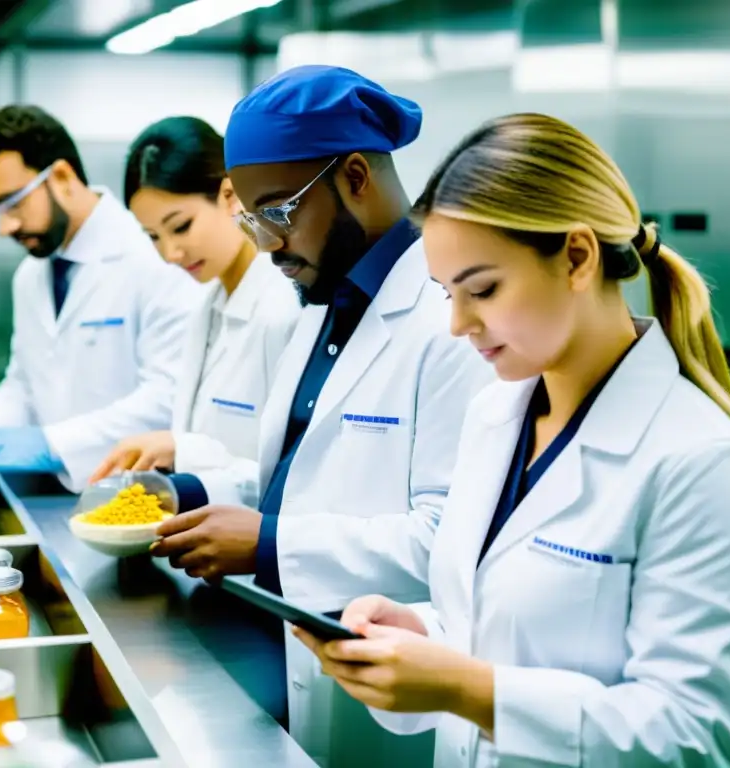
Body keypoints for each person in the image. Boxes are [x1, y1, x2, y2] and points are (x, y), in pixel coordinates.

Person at [294, 113, 730, 767]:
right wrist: (424, 634)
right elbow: (499, 626)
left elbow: (696, 737)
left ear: (578, 258)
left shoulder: (704, 466)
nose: (457, 325)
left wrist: (464, 687)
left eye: (482, 290)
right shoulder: (495, 416)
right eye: (446, 294)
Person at [149, 66, 493, 765]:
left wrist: (271, 543)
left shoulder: (449, 320)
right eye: (251, 220)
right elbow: (302, 481)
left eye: (276, 212)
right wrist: (193, 494)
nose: (266, 244)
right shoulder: (317, 306)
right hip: (309, 647)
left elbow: (452, 544)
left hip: (402, 686)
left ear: (356, 177)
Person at [0, 105, 203, 489]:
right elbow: (25, 382)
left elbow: (169, 398)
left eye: (14, 203)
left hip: (145, 497)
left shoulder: (154, 255)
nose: (5, 226)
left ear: (60, 176)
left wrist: (52, 443)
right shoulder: (31, 274)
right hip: (64, 493)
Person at [88, 116, 300, 485]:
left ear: (230, 196)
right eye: (153, 236)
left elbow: (296, 475)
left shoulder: (286, 306)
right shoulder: (207, 306)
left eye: (181, 226)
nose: (170, 252)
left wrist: (183, 452)